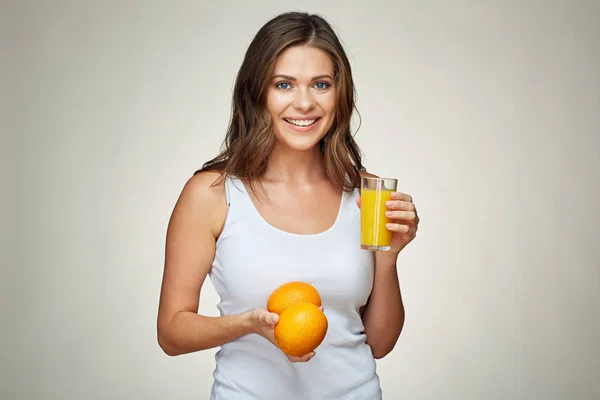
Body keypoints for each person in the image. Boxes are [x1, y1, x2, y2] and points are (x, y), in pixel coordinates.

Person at [157, 11, 419, 400]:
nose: (304, 102)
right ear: (257, 92)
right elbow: (172, 333)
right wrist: (246, 324)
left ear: (339, 94)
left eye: (321, 84)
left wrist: (389, 256)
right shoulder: (212, 194)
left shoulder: (366, 194)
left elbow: (378, 344)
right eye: (284, 84)